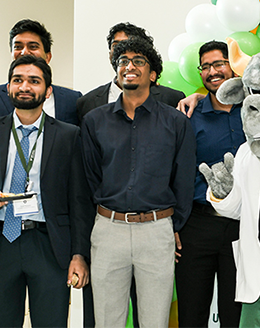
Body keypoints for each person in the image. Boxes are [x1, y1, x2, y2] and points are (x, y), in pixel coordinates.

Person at [80, 37, 196, 327]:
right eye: (123, 62)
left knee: (155, 321)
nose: (129, 67)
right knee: (107, 320)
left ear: (153, 74)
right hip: (108, 231)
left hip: (156, 232)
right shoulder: (94, 121)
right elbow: (91, 176)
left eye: (138, 61)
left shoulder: (176, 122)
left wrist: (174, 225)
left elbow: (184, 178)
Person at [0, 55, 93, 327]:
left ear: (48, 90)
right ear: (8, 87)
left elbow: (79, 201)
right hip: (3, 240)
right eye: (18, 80)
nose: (25, 86)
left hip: (49, 245)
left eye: (34, 81)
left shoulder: (69, 135)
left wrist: (79, 255)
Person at [174, 40, 244, 328]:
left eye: (220, 64)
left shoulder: (254, 110)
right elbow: (174, 173)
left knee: (236, 313)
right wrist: (175, 225)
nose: (213, 71)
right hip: (197, 225)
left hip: (243, 225)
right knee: (192, 313)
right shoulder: (188, 116)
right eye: (206, 67)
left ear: (233, 67)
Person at [76, 22, 185, 122]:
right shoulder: (86, 103)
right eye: (116, 46)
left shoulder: (172, 98)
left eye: (129, 45)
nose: (122, 50)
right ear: (110, 55)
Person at [0, 19, 81, 125]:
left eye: (33, 47)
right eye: (18, 47)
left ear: (48, 57)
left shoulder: (73, 99)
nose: (24, 52)